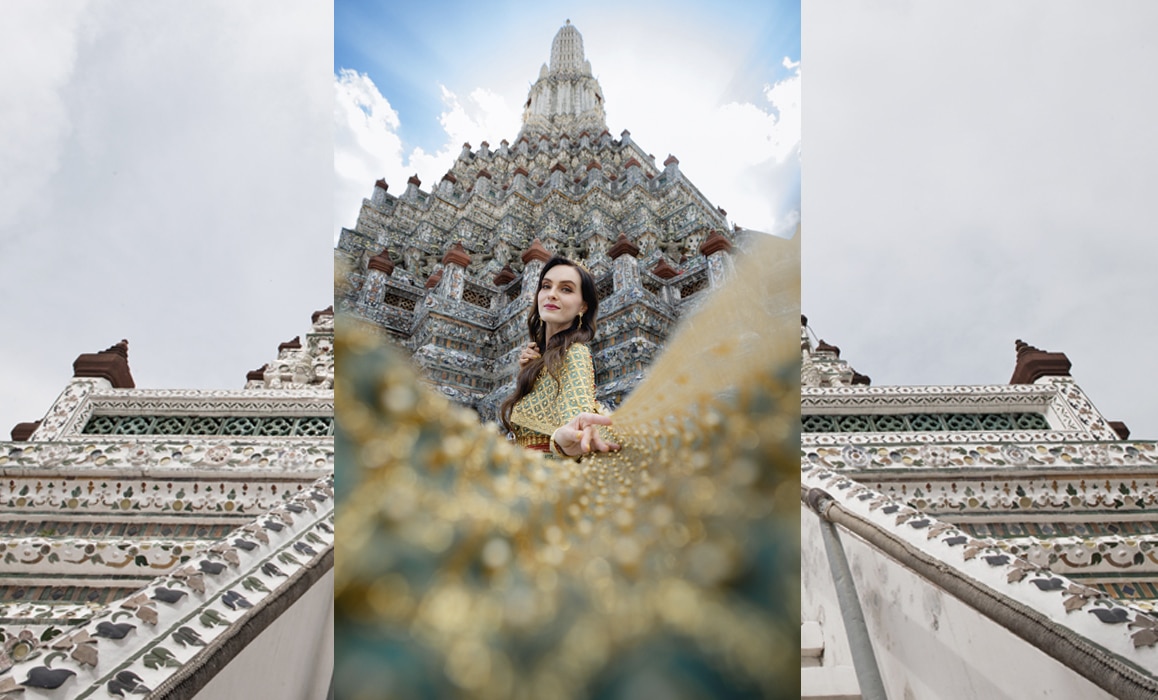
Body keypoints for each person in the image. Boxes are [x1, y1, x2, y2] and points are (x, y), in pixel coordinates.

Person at [499, 256, 619, 459]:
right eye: (546, 286)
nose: (551, 294)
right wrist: (528, 372)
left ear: (583, 307)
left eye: (566, 289)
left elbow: (577, 419)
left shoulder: (575, 352)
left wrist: (567, 441)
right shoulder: (538, 359)